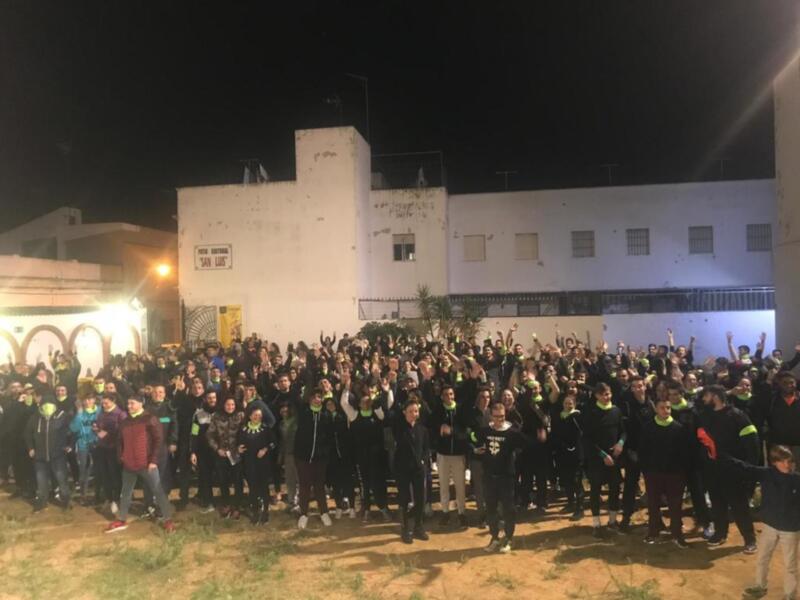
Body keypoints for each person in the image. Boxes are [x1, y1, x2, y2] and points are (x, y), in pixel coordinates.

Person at [717, 445, 800, 600]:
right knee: (763, 557)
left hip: (790, 529)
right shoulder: (767, 474)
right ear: (774, 462)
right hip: (769, 525)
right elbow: (744, 467)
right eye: (782, 462)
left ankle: (790, 595)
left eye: (789, 461)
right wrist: (719, 454)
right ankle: (760, 586)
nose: (786, 465)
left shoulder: (797, 480)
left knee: (790, 565)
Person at [696, 384, 759, 552]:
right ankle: (720, 533)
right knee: (717, 504)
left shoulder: (738, 416)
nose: (703, 399)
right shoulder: (704, 416)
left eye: (706, 396)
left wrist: (748, 468)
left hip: (733, 470)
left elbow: (752, 444)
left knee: (739, 506)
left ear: (715, 396)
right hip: (712, 469)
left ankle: (749, 538)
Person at [105, 396, 175, 533]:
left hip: (147, 464)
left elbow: (158, 441)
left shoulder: (150, 419)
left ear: (140, 404)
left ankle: (168, 520)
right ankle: (122, 519)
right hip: (129, 464)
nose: (129, 406)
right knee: (125, 493)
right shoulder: (125, 422)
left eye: (132, 403)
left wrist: (153, 461)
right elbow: (120, 442)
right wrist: (121, 457)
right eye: (128, 403)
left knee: (158, 491)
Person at [475, 401, 528, 553]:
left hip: (507, 477)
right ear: (491, 416)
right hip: (489, 477)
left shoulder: (512, 432)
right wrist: (477, 451)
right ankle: (494, 537)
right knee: (491, 508)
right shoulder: (485, 431)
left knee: (508, 509)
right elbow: (474, 441)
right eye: (497, 417)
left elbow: (525, 444)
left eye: (503, 416)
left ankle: (509, 538)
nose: (500, 420)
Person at [639, 395, 690, 547]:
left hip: (674, 475)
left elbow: (684, 453)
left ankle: (677, 534)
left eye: (668, 407)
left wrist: (681, 472)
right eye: (662, 407)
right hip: (653, 473)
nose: (666, 410)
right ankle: (653, 532)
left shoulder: (678, 428)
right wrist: (646, 470)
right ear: (656, 409)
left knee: (675, 505)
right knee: (653, 504)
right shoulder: (648, 427)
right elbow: (643, 451)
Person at [582, 382, 626, 538]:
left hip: (614, 458)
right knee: (595, 491)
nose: (606, 397)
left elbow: (623, 432)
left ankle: (612, 521)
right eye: (603, 394)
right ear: (596, 396)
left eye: (608, 394)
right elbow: (587, 439)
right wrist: (602, 455)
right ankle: (596, 524)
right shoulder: (590, 413)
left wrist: (620, 443)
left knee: (615, 489)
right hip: (597, 459)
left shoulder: (616, 411)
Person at [390, 397, 430, 544]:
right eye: (410, 411)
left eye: (416, 411)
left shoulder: (423, 430)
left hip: (418, 469)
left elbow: (426, 449)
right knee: (404, 499)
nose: (414, 413)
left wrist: (423, 461)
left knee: (420, 498)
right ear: (404, 413)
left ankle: (418, 526)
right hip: (403, 469)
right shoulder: (399, 428)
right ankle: (405, 528)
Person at [293, 388, 334, 529]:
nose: (318, 399)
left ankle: (324, 512)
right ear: (310, 398)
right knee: (304, 486)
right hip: (303, 457)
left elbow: (329, 436)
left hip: (320, 458)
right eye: (315, 396)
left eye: (320, 397)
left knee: (319, 486)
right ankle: (303, 514)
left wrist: (325, 453)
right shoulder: (303, 412)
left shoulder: (326, 415)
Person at [430, 385, 469, 529]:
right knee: (444, 485)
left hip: (458, 454)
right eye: (446, 394)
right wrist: (439, 430)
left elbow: (465, 431)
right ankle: (445, 512)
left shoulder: (460, 409)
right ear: (442, 396)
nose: (449, 397)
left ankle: (461, 513)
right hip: (443, 454)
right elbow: (431, 427)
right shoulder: (437, 410)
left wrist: (452, 431)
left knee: (460, 485)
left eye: (451, 394)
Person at [25, 396, 72, 512]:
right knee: (41, 481)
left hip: (58, 455)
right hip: (40, 457)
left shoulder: (62, 416)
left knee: (62, 480)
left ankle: (66, 501)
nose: (47, 408)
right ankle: (41, 502)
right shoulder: (35, 418)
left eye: (50, 405)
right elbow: (27, 433)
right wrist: (31, 448)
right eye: (45, 405)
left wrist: (69, 445)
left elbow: (71, 431)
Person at [207, 397, 245, 519]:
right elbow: (210, 435)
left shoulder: (240, 416)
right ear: (223, 405)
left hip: (236, 454)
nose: (230, 407)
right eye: (228, 405)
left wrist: (241, 447)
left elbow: (245, 432)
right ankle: (226, 504)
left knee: (238, 480)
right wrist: (217, 449)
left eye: (232, 405)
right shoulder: (216, 417)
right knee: (223, 480)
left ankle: (237, 506)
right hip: (222, 454)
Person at [237, 407, 277, 524]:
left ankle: (265, 512)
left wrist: (265, 449)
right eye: (255, 415)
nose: (257, 417)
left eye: (259, 415)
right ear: (249, 416)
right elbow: (239, 444)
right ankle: (255, 512)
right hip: (249, 463)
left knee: (264, 487)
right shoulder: (243, 429)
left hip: (263, 463)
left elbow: (274, 443)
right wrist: (238, 448)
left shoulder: (266, 429)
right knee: (253, 488)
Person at [94, 394, 126, 516]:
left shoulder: (120, 414)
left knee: (114, 475)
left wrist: (106, 434)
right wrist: (96, 429)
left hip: (114, 449)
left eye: (106, 403)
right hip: (102, 447)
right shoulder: (101, 413)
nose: (104, 405)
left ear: (113, 401)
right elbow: (99, 426)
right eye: (103, 403)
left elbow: (122, 433)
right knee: (104, 474)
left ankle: (116, 499)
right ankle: (108, 498)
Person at [190, 389, 218, 512]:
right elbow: (194, 433)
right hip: (203, 451)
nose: (212, 400)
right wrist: (193, 451)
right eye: (209, 398)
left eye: (214, 397)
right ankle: (209, 503)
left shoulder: (221, 413)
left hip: (218, 451)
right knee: (205, 477)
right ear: (205, 399)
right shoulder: (198, 415)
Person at [69, 394, 99, 505]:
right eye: (85, 399)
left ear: (94, 400)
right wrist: (79, 413)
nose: (87, 401)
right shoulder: (79, 413)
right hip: (83, 444)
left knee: (98, 469)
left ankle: (99, 494)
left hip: (97, 444)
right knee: (84, 469)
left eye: (90, 399)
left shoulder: (99, 411)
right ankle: (83, 494)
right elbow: (73, 428)